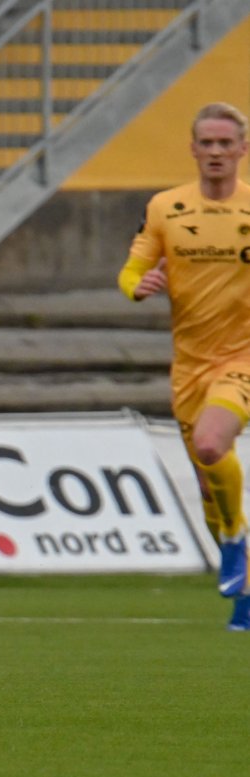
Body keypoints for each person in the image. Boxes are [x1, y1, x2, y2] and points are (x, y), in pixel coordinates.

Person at [117, 101, 250, 630]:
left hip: (243, 357)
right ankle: (244, 591)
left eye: (226, 143)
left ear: (242, 149)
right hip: (189, 366)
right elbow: (130, 271)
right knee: (208, 485)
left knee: (213, 444)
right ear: (193, 149)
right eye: (207, 143)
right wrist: (139, 286)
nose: (216, 152)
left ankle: (236, 544)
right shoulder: (165, 208)